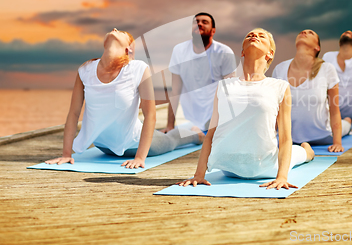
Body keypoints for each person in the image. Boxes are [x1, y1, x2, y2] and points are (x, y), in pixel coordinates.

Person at [177, 28, 314, 190]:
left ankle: (307, 149)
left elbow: (284, 138)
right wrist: (199, 175)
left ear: (269, 54)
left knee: (299, 154)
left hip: (268, 168)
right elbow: (211, 134)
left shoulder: (279, 86)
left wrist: (282, 177)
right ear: (242, 52)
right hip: (228, 168)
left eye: (261, 36)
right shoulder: (223, 86)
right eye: (250, 35)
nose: (254, 36)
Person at [45, 28, 203, 169]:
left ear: (129, 50)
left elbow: (151, 114)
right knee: (162, 135)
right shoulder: (85, 70)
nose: (114, 29)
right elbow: (73, 113)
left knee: (171, 140)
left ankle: (196, 134)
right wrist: (67, 154)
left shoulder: (138, 69)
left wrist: (140, 158)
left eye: (121, 32)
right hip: (103, 146)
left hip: (135, 143)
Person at [272, 29, 352, 153]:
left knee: (345, 126)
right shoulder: (280, 69)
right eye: (302, 32)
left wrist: (337, 143)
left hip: (324, 136)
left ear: (317, 47)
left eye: (311, 33)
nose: (304, 32)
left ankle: (347, 121)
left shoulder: (327, 69)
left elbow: (334, 109)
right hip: (291, 139)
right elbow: (274, 110)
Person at [165, 12, 236, 135]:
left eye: (204, 22)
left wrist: (228, 123)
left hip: (214, 116)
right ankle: (196, 135)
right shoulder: (179, 50)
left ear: (213, 31)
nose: (199, 24)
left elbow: (229, 92)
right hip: (188, 118)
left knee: (213, 133)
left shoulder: (224, 52)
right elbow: (175, 92)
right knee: (171, 138)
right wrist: (170, 125)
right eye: (196, 22)